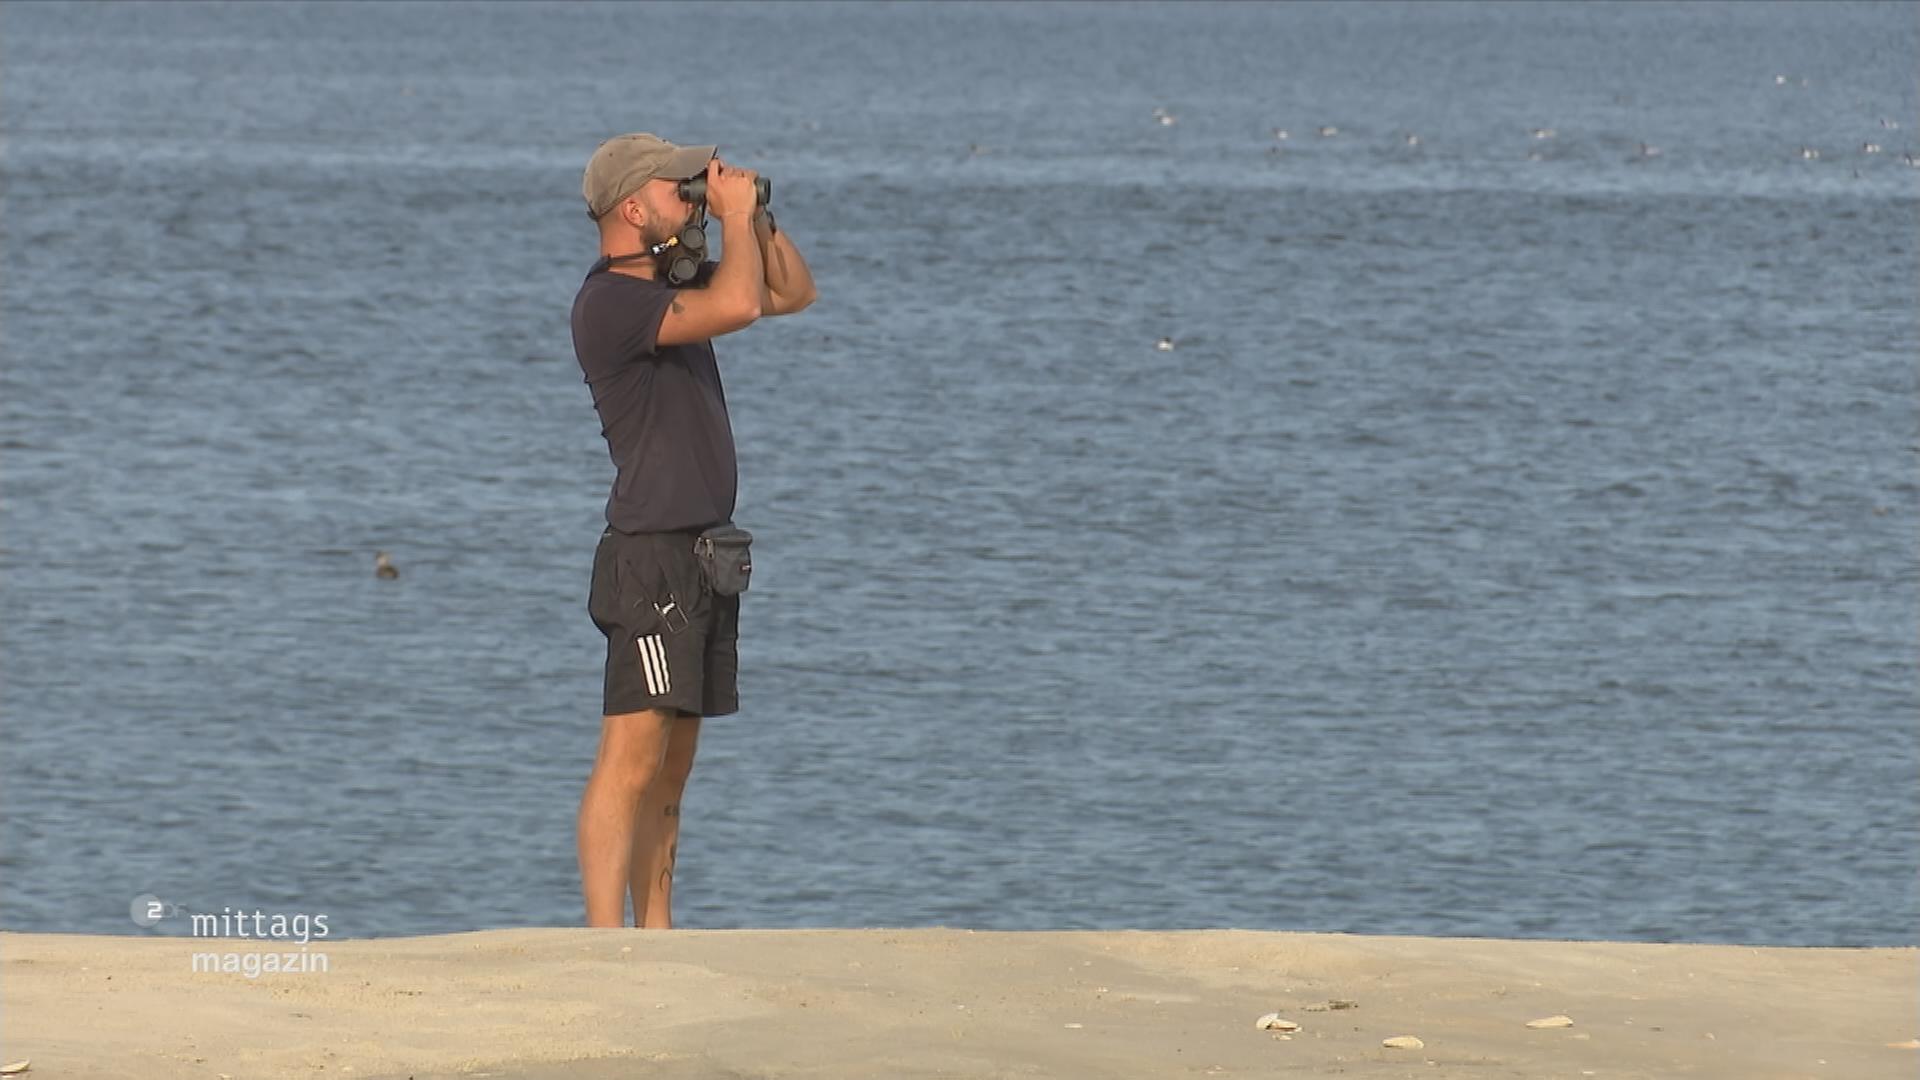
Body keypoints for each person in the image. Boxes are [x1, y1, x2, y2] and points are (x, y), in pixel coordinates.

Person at [570, 133, 816, 929]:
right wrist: (734, 222)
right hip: (650, 561)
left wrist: (756, 216)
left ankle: (657, 931)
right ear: (631, 207)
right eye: (679, 191)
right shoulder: (611, 303)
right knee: (630, 761)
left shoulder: (679, 284)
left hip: (705, 558)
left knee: (673, 766)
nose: (692, 200)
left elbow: (792, 293)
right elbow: (743, 305)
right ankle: (604, 942)